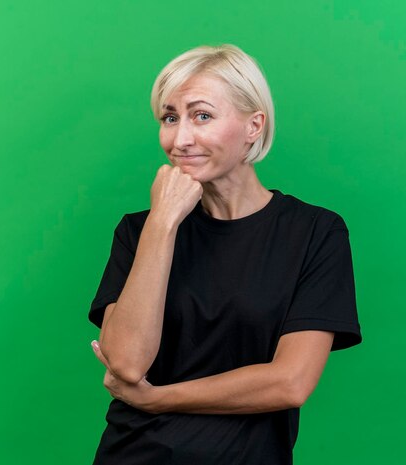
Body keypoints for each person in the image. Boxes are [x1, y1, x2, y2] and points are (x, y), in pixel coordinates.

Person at [88, 44, 362, 465]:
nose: (180, 139)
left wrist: (159, 399)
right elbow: (126, 364)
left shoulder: (314, 233)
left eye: (202, 116)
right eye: (169, 118)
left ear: (254, 126)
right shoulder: (138, 231)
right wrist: (163, 223)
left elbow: (290, 383)